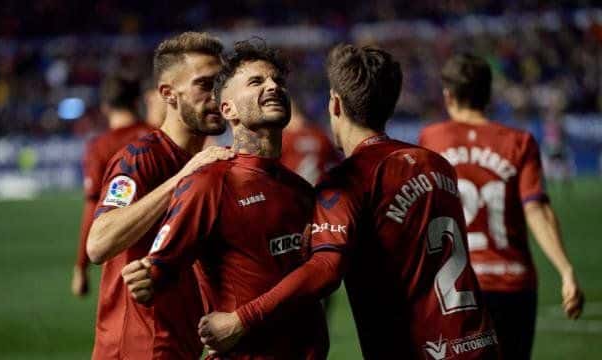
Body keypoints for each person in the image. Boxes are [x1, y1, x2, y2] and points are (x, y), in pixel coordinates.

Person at [196, 44, 500, 359]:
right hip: (480, 343)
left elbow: (326, 268)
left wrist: (240, 319)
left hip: (420, 351)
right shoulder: (437, 165)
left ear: (335, 104)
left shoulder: (347, 180)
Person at [123, 39, 329, 359]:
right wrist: (148, 275)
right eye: (256, 81)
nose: (273, 86)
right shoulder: (210, 183)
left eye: (278, 81)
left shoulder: (300, 190)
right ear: (227, 109)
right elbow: (161, 264)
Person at [419, 53, 584, 359]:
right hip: (514, 284)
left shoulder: (432, 138)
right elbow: (536, 209)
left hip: (456, 287)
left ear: (448, 96)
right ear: (488, 94)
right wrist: (566, 269)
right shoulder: (519, 141)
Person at [87, 32, 232, 360]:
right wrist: (183, 179)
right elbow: (98, 243)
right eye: (204, 84)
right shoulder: (141, 158)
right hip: (136, 349)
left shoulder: (208, 164)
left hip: (180, 346)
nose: (217, 95)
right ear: (168, 94)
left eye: (221, 83)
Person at [71, 75, 153, 297]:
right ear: (137, 102)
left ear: (105, 107)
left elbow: (92, 207)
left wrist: (81, 266)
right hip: (167, 249)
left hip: (121, 251)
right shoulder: (158, 135)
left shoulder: (100, 147)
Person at [280, 102, 340, 186]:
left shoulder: (284, 139)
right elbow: (337, 163)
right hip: (319, 192)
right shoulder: (320, 135)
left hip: (293, 191)